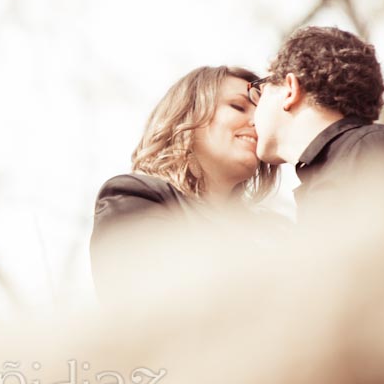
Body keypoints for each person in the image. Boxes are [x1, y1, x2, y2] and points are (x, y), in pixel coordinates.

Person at [89, 66, 279, 303]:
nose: (256, 122)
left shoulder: (272, 230)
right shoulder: (136, 197)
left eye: (261, 114)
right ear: (186, 117)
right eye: (238, 107)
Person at [248, 26, 384, 220]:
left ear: (290, 90)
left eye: (261, 91)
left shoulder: (378, 154)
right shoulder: (348, 163)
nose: (254, 112)